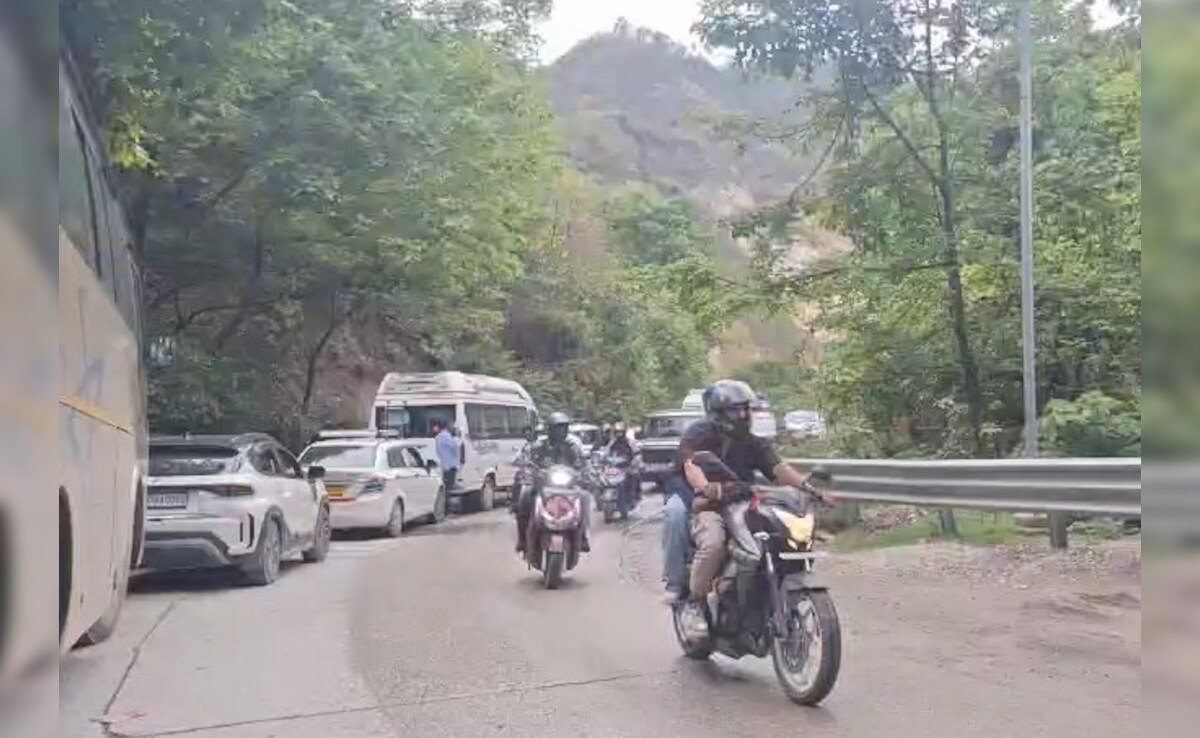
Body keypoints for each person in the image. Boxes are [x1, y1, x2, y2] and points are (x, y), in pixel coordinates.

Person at [674, 380, 830, 640]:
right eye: (736, 410)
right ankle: (696, 604)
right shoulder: (700, 434)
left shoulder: (753, 441)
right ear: (719, 412)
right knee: (714, 543)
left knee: (776, 534)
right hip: (711, 505)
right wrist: (706, 487)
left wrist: (811, 489)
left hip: (744, 501)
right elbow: (692, 465)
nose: (743, 415)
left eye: (746, 409)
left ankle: (764, 595)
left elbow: (778, 468)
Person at [516, 411, 591, 554]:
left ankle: (582, 536)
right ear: (549, 429)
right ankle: (522, 539)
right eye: (556, 428)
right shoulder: (540, 445)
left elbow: (581, 463)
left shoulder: (572, 446)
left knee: (584, 497)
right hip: (543, 485)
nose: (560, 431)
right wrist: (527, 469)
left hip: (568, 486)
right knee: (524, 496)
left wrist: (585, 473)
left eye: (563, 428)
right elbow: (528, 460)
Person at [434, 421, 461, 493]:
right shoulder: (446, 436)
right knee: (450, 486)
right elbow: (455, 445)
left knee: (446, 484)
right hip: (450, 465)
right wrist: (457, 437)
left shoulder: (438, 437)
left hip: (445, 465)